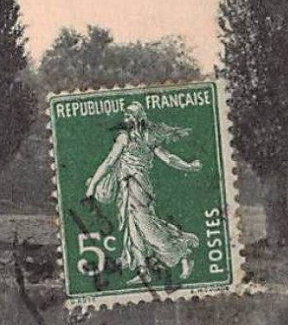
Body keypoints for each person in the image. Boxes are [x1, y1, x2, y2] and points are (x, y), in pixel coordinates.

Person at [83, 101, 202, 283]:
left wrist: (189, 166)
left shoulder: (148, 138)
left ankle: (184, 255)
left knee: (148, 228)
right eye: (126, 116)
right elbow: (108, 162)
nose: (127, 119)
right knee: (132, 228)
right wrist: (92, 188)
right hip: (126, 188)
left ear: (139, 118)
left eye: (130, 116)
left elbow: (168, 158)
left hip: (140, 187)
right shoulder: (124, 138)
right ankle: (142, 270)